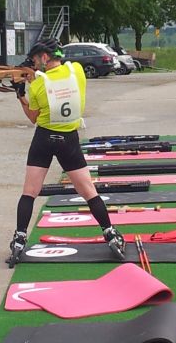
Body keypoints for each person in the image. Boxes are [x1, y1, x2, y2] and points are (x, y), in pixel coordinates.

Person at [7, 37, 126, 267]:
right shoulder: (77, 71)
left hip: (44, 138)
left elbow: (32, 117)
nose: (35, 64)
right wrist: (35, 75)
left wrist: (21, 94)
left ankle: (20, 238)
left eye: (36, 60)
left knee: (29, 192)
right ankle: (110, 233)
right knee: (89, 191)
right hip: (69, 139)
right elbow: (59, 76)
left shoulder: (38, 85)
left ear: (44, 57)